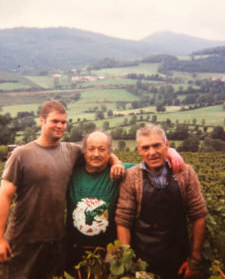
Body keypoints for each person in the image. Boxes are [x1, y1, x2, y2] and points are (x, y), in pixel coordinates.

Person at [0, 100, 123, 279]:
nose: (60, 126)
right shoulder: (22, 154)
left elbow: (98, 151)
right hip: (22, 242)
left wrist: (117, 162)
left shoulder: (70, 151)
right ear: (42, 121)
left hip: (56, 243)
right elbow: (4, 196)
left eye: (63, 122)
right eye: (55, 121)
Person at [65, 130, 185, 277]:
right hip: (74, 251)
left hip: (110, 253)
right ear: (84, 151)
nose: (96, 154)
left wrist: (169, 152)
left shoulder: (123, 171)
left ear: (110, 152)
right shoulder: (70, 173)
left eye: (102, 149)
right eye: (91, 149)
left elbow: (151, 164)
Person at [115, 124, 208, 279]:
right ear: (139, 151)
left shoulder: (185, 173)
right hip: (142, 262)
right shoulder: (131, 177)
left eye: (157, 145)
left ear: (167, 145)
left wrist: (195, 259)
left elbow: (199, 215)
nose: (152, 152)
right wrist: (128, 265)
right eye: (145, 148)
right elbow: (123, 221)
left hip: (179, 261)